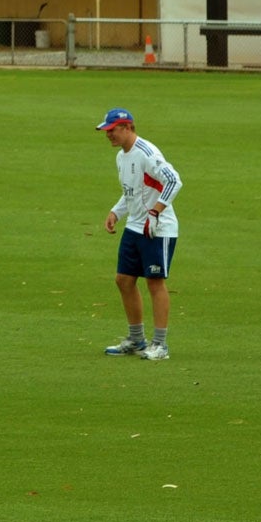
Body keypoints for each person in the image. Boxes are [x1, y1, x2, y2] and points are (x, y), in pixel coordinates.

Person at [98, 107, 181, 361]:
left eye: (112, 131)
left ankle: (160, 344)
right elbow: (132, 190)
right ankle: (136, 339)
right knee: (123, 279)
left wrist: (156, 212)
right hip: (135, 226)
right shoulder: (121, 157)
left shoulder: (147, 153)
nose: (108, 136)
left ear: (127, 128)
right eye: (107, 131)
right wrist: (116, 212)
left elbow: (174, 180)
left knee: (155, 283)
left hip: (158, 228)